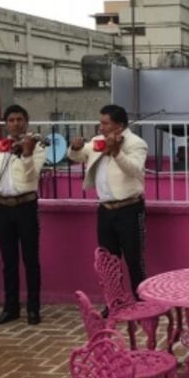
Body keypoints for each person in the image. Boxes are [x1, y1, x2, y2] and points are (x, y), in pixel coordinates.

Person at [0, 105, 46, 326]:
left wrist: (26, 152)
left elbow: (32, 174)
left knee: (31, 259)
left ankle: (33, 308)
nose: (16, 123)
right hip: (3, 208)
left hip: (26, 206)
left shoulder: (37, 146)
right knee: (9, 261)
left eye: (20, 119)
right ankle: (11, 308)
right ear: (6, 124)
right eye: (12, 120)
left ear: (27, 121)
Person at [69, 104, 148, 295]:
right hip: (105, 210)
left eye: (105, 123)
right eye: (100, 122)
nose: (101, 127)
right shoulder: (98, 141)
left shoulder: (136, 143)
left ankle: (141, 302)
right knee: (108, 261)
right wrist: (75, 148)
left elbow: (135, 170)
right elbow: (79, 156)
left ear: (119, 126)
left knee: (133, 259)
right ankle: (114, 301)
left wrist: (116, 151)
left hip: (129, 208)